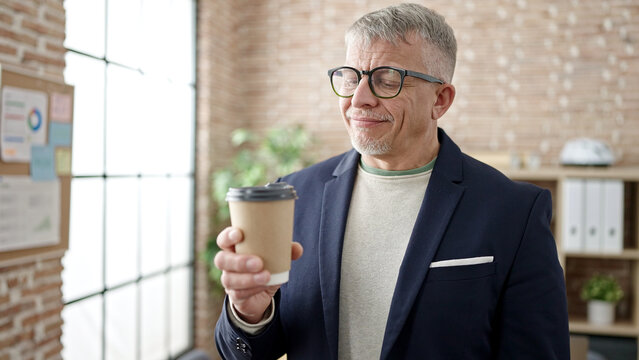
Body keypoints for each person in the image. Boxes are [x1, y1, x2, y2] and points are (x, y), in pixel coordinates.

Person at [214, 3, 570, 359]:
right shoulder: (296, 195)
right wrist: (248, 313)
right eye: (352, 77)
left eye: (387, 80)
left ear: (440, 99)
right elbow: (250, 351)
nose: (359, 99)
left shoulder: (513, 212)